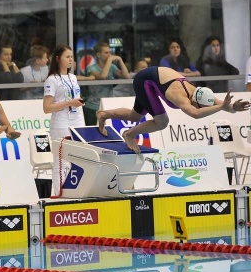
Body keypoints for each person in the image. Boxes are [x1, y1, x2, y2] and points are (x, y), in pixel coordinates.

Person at [96, 66, 250, 154]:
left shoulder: (203, 95)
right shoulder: (179, 96)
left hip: (154, 79)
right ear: (195, 102)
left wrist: (233, 108)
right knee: (162, 121)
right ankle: (129, 134)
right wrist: (221, 107)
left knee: (135, 116)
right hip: (144, 81)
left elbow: (224, 106)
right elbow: (195, 114)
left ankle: (103, 114)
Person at [42, 44, 86, 197]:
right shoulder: (52, 80)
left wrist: (77, 103)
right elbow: (47, 108)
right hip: (61, 123)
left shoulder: (73, 77)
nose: (70, 60)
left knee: (80, 160)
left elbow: (73, 100)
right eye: (67, 57)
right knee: (61, 161)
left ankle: (76, 192)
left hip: (78, 121)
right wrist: (69, 103)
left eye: (72, 57)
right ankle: (59, 194)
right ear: (58, 59)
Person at [84, 42, 130, 125]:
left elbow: (126, 76)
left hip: (107, 105)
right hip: (93, 107)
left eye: (110, 52)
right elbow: (103, 76)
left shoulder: (112, 67)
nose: (109, 55)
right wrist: (109, 60)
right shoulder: (91, 68)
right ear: (98, 55)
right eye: (106, 53)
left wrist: (120, 60)